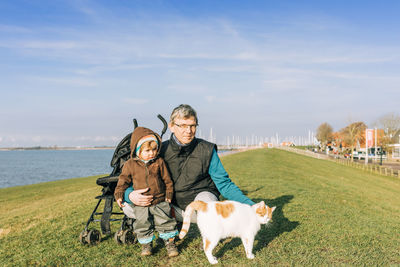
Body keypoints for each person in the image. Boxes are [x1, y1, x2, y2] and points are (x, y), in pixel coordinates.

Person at [122, 104, 255, 223]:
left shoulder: (206, 149)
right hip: (168, 203)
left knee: (208, 203)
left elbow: (224, 184)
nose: (188, 131)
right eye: (183, 126)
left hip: (198, 201)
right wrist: (129, 195)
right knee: (128, 207)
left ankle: (211, 225)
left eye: (192, 125)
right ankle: (166, 226)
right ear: (171, 126)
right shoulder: (158, 151)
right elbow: (133, 180)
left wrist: (250, 206)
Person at [114, 127, 178, 257]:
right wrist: (119, 194)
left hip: (160, 200)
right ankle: (146, 245)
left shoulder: (159, 162)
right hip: (141, 204)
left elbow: (168, 180)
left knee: (165, 222)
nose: (152, 153)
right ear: (138, 151)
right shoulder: (130, 164)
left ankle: (170, 244)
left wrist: (169, 194)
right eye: (147, 150)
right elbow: (123, 181)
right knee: (142, 224)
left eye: (154, 150)